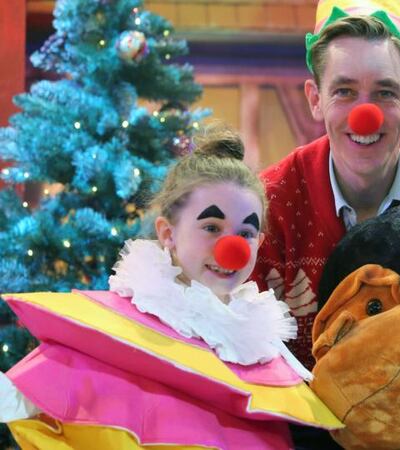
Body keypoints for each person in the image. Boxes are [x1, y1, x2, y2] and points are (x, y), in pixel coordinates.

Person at [0, 127, 339, 449]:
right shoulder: (117, 332)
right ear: (167, 233)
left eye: (246, 233)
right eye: (211, 226)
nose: (231, 248)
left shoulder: (256, 349)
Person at [252, 0, 400, 369]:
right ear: (316, 100)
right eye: (344, 91)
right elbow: (248, 353)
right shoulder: (268, 201)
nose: (365, 116)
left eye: (385, 93)